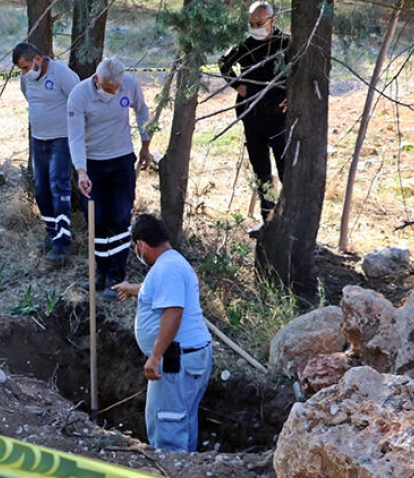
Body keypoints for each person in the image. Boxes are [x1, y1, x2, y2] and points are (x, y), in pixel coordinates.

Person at [112, 213, 213, 452]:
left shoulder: (168, 269)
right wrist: (131, 289)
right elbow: (156, 291)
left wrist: (156, 356)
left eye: (136, 248)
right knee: (181, 420)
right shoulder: (171, 264)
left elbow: (173, 312)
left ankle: (173, 468)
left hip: (175, 358)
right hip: (187, 356)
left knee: (168, 427)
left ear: (141, 245)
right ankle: (186, 467)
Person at [68, 58, 152, 298]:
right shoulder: (79, 95)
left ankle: (116, 275)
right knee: (97, 219)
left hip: (121, 160)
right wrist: (81, 170)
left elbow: (142, 112)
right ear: (97, 80)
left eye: (116, 90)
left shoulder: (130, 85)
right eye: (107, 89)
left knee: (120, 218)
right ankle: (100, 273)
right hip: (92, 163)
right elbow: (74, 136)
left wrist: (146, 145)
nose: (112, 93)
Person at [218, 1, 290, 237]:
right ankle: (267, 220)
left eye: (260, 23)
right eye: (251, 23)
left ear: (272, 19)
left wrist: (292, 96)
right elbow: (223, 63)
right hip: (252, 117)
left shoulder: (286, 44)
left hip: (279, 118)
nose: (255, 27)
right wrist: (238, 85)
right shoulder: (245, 44)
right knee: (261, 172)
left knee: (285, 168)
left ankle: (288, 220)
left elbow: (300, 71)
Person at [12, 42, 80, 266]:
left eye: (25, 67)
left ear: (38, 60)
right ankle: (51, 232)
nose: (24, 73)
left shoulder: (62, 74)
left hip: (61, 139)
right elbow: (30, 98)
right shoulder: (27, 79)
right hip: (38, 140)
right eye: (20, 69)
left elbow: (79, 100)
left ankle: (63, 243)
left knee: (58, 186)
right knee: (41, 189)